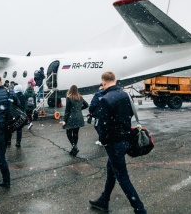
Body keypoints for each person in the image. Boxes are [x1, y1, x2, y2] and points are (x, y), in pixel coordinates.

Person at [89, 71, 146, 213]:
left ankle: (140, 209)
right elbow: (131, 113)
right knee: (111, 171)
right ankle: (104, 200)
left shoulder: (105, 99)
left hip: (114, 143)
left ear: (103, 82)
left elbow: (102, 124)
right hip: (125, 139)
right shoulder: (124, 95)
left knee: (123, 178)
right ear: (114, 80)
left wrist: (104, 141)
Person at [61, 85, 88, 156]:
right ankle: (74, 148)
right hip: (79, 117)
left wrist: (64, 120)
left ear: (70, 90)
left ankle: (74, 146)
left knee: (69, 133)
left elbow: (67, 110)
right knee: (76, 133)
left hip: (71, 117)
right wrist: (79, 109)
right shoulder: (80, 97)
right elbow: (86, 105)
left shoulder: (69, 98)